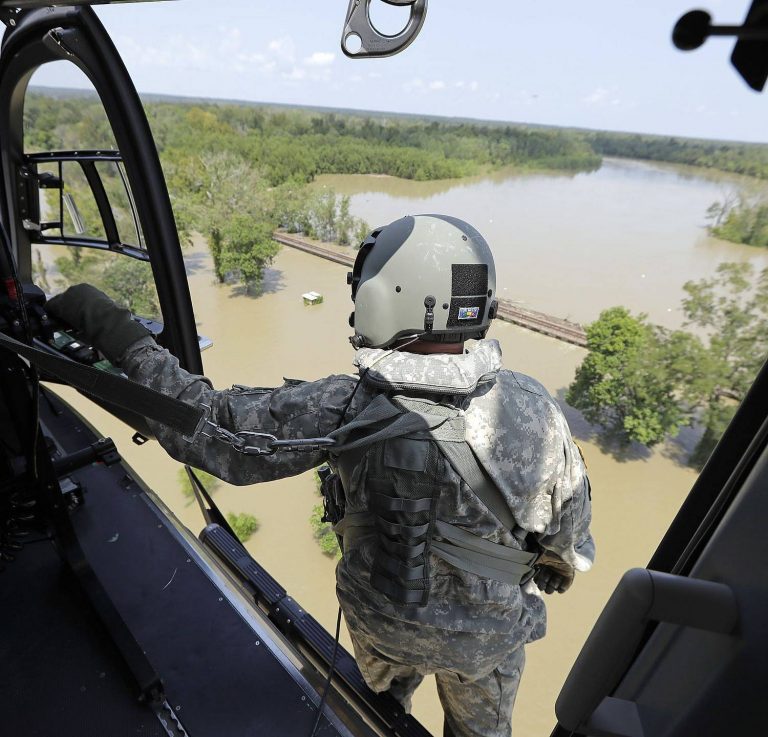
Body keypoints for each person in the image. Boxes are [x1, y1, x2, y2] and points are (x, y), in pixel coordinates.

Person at [47, 214, 595, 737]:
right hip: (487, 643)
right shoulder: (533, 408)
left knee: (378, 712)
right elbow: (568, 536)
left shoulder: (347, 404)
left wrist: (113, 330)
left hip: (382, 626)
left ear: (385, 297)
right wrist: (549, 568)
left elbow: (213, 433)